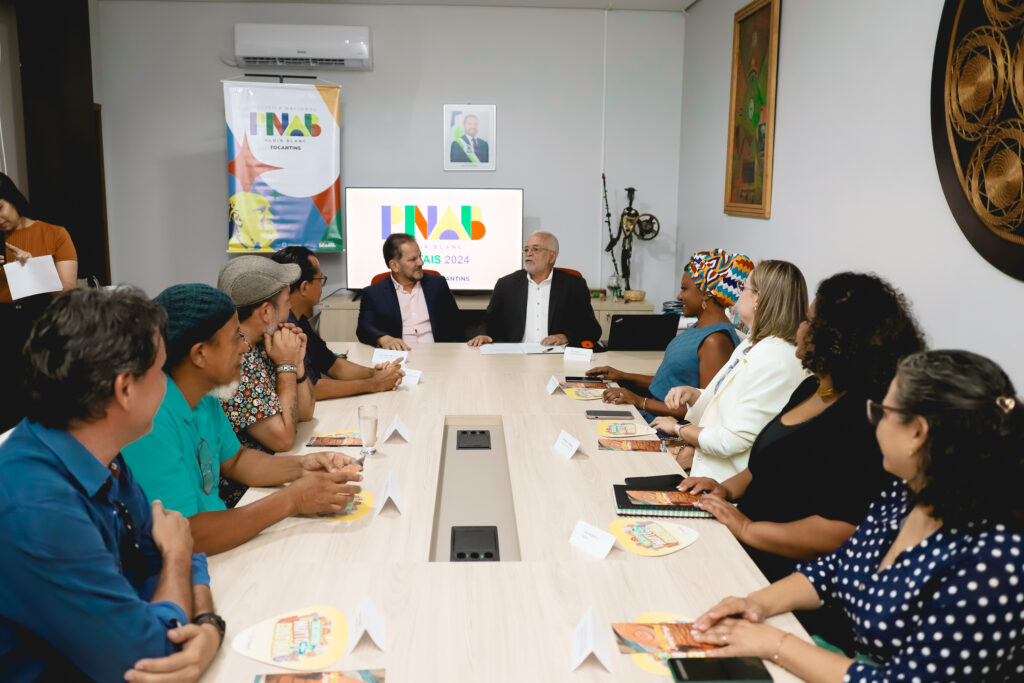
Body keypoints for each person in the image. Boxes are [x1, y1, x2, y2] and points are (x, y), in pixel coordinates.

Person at [689, 350, 1024, 681]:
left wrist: (774, 643)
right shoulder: (905, 495)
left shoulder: (994, 561)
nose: (873, 422)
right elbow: (835, 569)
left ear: (917, 433)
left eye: (882, 412)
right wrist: (754, 603)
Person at [0, 287, 221, 681]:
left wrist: (205, 624)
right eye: (160, 372)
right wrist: (176, 562)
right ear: (125, 389)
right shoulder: (36, 507)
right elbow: (148, 657)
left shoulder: (97, 444)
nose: (167, 385)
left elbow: (173, 546)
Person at [121, 284, 362, 556]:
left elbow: (236, 461)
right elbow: (189, 536)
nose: (244, 348)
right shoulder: (148, 422)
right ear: (200, 354)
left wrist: (303, 466)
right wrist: (293, 499)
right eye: (235, 337)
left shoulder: (205, 395)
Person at [650, 260, 808, 479]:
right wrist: (694, 394)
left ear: (758, 299)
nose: (737, 295)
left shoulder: (776, 360)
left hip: (722, 480)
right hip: (705, 462)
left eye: (744, 289)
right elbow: (729, 399)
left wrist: (678, 429)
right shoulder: (752, 344)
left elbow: (731, 440)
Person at [587, 249, 752, 417]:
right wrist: (623, 375)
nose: (679, 296)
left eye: (684, 289)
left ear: (705, 294)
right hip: (654, 412)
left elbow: (706, 409)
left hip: (667, 426)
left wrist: (639, 401)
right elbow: (668, 383)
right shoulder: (700, 326)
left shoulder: (715, 340)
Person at [0, 172, 78, 433]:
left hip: (42, 323)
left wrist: (34, 267)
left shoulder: (54, 234)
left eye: (0, 208)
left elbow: (67, 294)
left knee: (45, 403)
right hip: (3, 326)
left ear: (13, 199)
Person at [272, 246, 404, 399]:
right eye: (320, 280)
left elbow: (331, 364)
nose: (322, 288)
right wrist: (375, 384)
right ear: (304, 287)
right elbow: (311, 389)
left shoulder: (299, 320)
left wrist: (376, 374)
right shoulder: (283, 328)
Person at [218, 255, 316, 457]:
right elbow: (283, 440)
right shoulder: (236, 363)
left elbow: (305, 413)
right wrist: (286, 365)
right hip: (250, 487)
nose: (290, 308)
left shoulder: (265, 342)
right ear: (265, 312)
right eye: (287, 301)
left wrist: (297, 363)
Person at [467, 231, 601, 348]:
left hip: (557, 356)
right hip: (515, 355)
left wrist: (565, 337)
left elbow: (591, 329)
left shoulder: (573, 285)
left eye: (535, 249)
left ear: (552, 257)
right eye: (526, 249)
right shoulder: (506, 284)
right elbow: (490, 320)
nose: (528, 254)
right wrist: (483, 334)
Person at [356, 233, 463, 350]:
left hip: (438, 354)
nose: (421, 262)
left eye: (420, 256)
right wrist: (384, 339)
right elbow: (364, 328)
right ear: (395, 265)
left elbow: (456, 325)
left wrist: (451, 354)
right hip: (400, 358)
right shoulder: (374, 293)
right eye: (413, 259)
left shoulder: (438, 284)